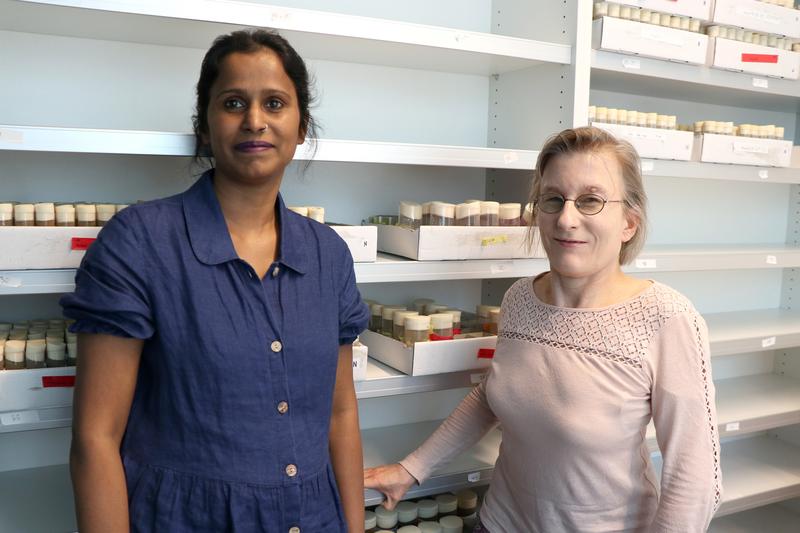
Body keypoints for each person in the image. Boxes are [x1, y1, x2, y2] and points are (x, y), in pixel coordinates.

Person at [62, 30, 369, 533]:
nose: (255, 121)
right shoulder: (139, 243)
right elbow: (95, 438)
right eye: (232, 103)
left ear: (301, 126)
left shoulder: (328, 255)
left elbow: (340, 415)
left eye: (274, 102)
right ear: (205, 127)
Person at [364, 126, 722, 532]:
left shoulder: (666, 318)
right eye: (553, 199)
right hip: (497, 522)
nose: (566, 219)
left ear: (629, 222)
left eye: (591, 200)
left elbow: (695, 483)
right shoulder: (520, 297)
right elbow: (493, 396)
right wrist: (411, 469)